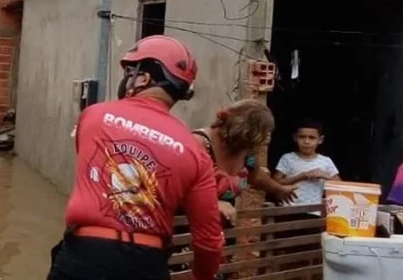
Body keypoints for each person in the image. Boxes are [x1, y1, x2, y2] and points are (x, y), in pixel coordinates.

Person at [48, 35, 223, 280]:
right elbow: (209, 240)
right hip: (146, 265)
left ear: (144, 77)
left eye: (131, 71)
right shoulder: (195, 152)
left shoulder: (94, 116)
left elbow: (89, 164)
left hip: (84, 258)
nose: (126, 79)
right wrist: (202, 277)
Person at [192, 99, 297, 226]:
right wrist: (213, 204)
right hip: (185, 227)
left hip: (220, 228)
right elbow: (174, 187)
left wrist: (279, 189)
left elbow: (256, 176)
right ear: (245, 133)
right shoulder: (197, 144)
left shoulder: (245, 151)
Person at [273, 119, 340, 212]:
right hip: (289, 209)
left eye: (312, 138)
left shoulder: (326, 161)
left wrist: (324, 175)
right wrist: (300, 177)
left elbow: (340, 185)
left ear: (320, 140)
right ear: (295, 138)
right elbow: (275, 183)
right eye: (302, 137)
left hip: (314, 211)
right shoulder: (287, 158)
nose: (306, 141)